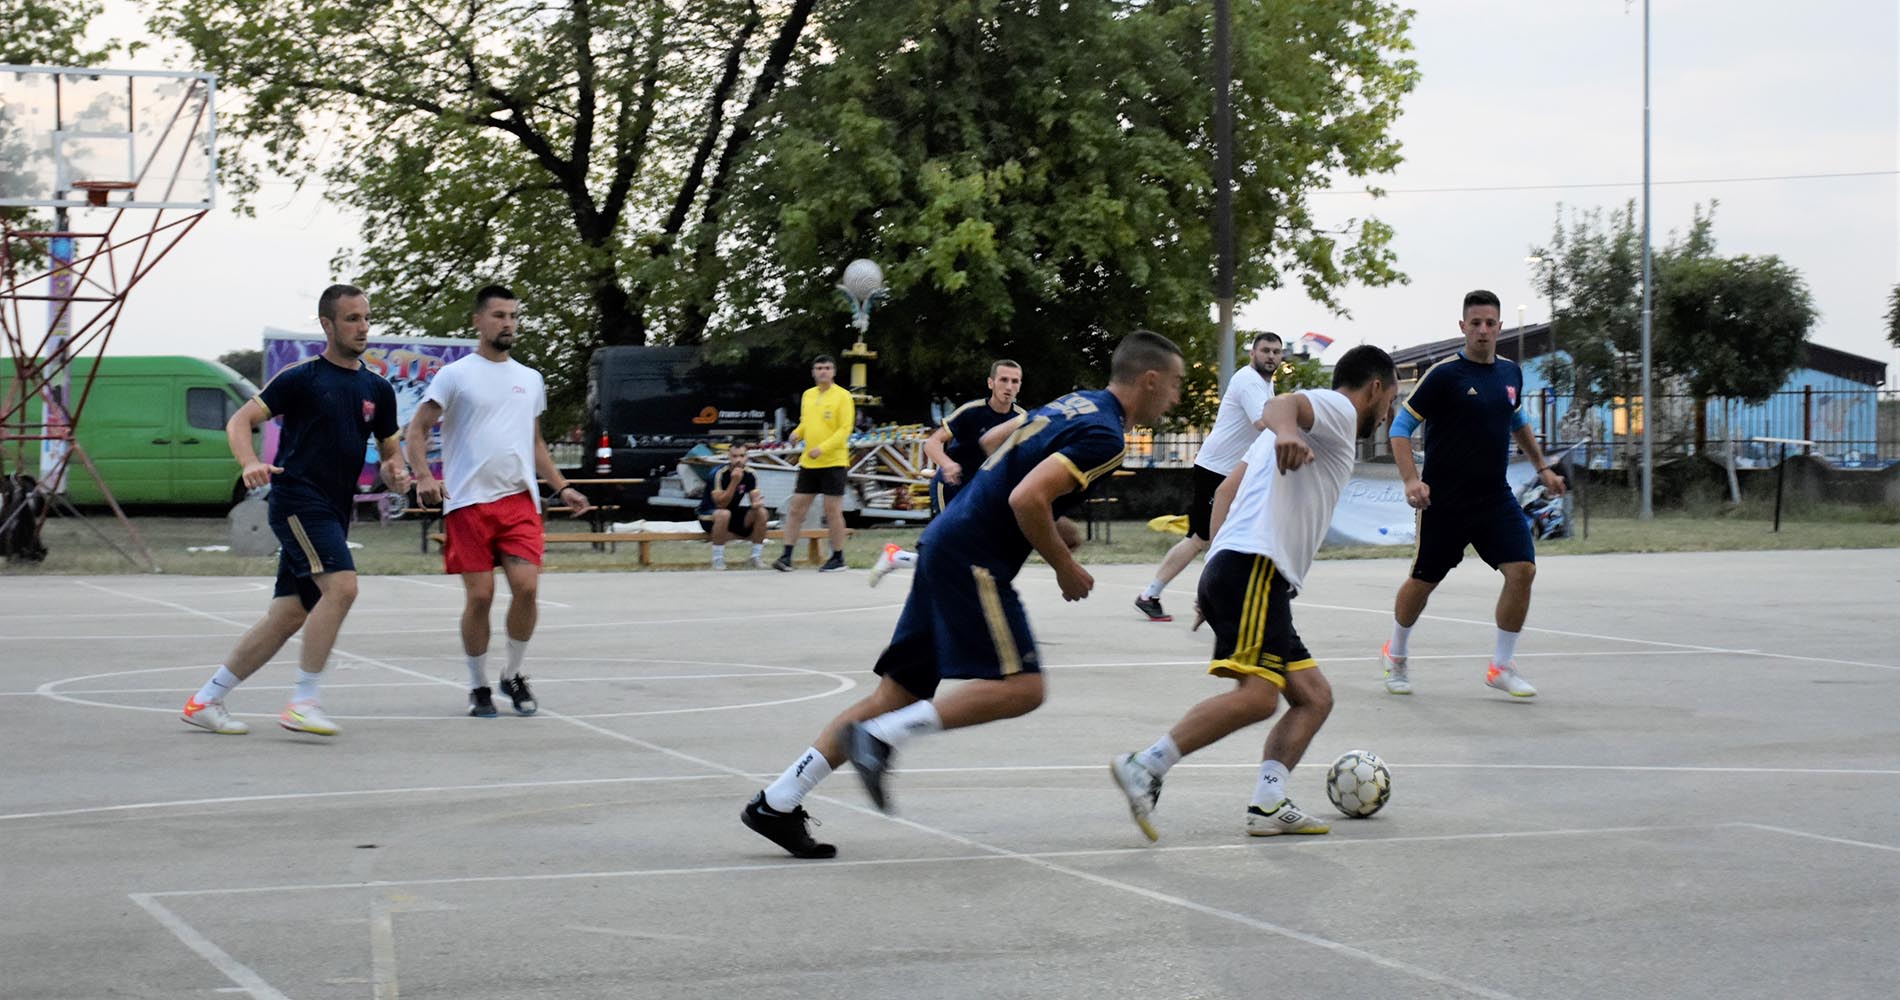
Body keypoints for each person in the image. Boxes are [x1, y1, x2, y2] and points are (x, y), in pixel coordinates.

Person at [740, 330, 1184, 858]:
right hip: (974, 556)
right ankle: (880, 738)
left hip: (945, 540)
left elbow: (995, 444)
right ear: (1150, 380)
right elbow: (1026, 496)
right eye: (1175, 384)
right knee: (1023, 688)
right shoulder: (1107, 437)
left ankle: (777, 801)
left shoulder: (1074, 403)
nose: (1176, 397)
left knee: (897, 695)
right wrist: (1064, 566)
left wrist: (1046, 519)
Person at [1110, 346, 1398, 840]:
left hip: (1241, 567)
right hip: (1256, 567)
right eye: (1391, 400)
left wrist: (1214, 573)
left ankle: (1268, 801)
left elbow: (1225, 492)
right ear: (1375, 389)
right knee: (1260, 698)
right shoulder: (1337, 409)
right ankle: (1147, 764)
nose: (1389, 413)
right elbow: (1280, 405)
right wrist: (1286, 432)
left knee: (1314, 697)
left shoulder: (1285, 436)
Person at [180, 284, 409, 736]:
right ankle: (303, 702)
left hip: (333, 508)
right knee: (342, 587)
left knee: (287, 615)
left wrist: (396, 473)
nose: (363, 327)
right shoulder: (303, 377)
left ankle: (205, 699)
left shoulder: (378, 389)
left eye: (366, 318)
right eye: (352, 318)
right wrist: (249, 462)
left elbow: (390, 454)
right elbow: (240, 420)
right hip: (298, 500)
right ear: (328, 324)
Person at [404, 285, 592, 718]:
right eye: (499, 315)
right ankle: (478, 684)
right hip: (467, 502)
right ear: (478, 321)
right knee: (481, 597)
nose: (508, 323)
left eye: (513, 316)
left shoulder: (530, 379)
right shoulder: (455, 375)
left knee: (527, 588)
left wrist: (562, 486)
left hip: (518, 501)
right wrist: (424, 476)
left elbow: (535, 442)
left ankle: (512, 673)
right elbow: (418, 429)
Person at [1379, 289, 1567, 698]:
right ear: (1463, 327)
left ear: (1500, 327)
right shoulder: (1444, 375)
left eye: (1490, 323)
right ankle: (1396, 653)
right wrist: (1411, 480)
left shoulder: (1510, 373)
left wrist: (1543, 468)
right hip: (1443, 501)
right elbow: (1400, 428)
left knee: (1523, 570)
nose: (1483, 330)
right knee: (1423, 581)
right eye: (1476, 323)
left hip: (1494, 497)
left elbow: (1517, 421)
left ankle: (1501, 666)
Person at [1134, 331, 1282, 622]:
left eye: (1276, 352)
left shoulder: (1266, 383)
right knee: (1210, 539)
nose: (1271, 356)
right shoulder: (1249, 381)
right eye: (1265, 350)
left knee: (1204, 538)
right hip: (1217, 472)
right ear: (1252, 353)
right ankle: (1203, 598)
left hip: (1232, 473)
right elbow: (1263, 423)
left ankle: (1154, 595)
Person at [870, 359, 1025, 587]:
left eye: (1015, 381)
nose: (1009, 386)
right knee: (948, 544)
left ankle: (897, 557)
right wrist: (948, 464)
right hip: (952, 485)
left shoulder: (1022, 418)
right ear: (991, 383)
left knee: (969, 548)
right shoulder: (971, 411)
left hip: (983, 491)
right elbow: (932, 443)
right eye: (1003, 380)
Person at [772, 356, 854, 573]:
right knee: (796, 508)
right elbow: (806, 422)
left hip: (833, 461)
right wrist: (797, 433)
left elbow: (844, 429)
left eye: (827, 368)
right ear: (813, 372)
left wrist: (823, 448)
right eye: (819, 368)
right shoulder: (808, 395)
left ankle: (838, 557)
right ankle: (786, 556)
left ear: (833, 372)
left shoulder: (843, 396)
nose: (823, 372)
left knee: (832, 510)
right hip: (809, 462)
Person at [698, 442, 768, 569]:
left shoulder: (750, 474)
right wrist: (734, 481)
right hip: (710, 514)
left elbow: (754, 497)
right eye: (734, 456)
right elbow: (721, 504)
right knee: (724, 514)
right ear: (728, 457)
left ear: (747, 457)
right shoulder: (718, 473)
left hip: (732, 513)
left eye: (742, 456)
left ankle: (756, 557)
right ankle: (718, 559)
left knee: (762, 512)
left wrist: (756, 503)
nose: (738, 460)